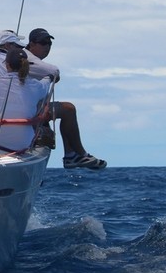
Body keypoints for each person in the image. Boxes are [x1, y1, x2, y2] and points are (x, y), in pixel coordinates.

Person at [25, 27, 107, 170]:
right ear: (31, 44)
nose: (47, 46)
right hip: (29, 110)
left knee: (67, 111)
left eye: (49, 43)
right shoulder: (29, 59)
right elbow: (54, 72)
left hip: (34, 107)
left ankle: (71, 155)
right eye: (43, 43)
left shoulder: (30, 59)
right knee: (69, 109)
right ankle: (79, 153)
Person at [0, 43, 52, 153]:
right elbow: (46, 83)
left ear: (7, 65)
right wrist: (49, 78)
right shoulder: (37, 86)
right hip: (24, 143)